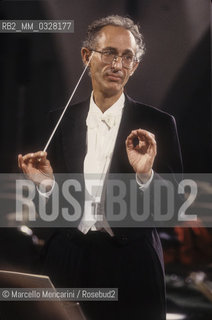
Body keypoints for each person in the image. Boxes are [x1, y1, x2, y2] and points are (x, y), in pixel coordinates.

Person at [18, 15, 182, 320]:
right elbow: (46, 215)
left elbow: (171, 211)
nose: (118, 65)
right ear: (86, 56)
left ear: (134, 66)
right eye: (109, 53)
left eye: (127, 57)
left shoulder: (158, 124)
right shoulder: (60, 120)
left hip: (132, 265)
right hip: (66, 260)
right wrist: (47, 187)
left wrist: (145, 175)